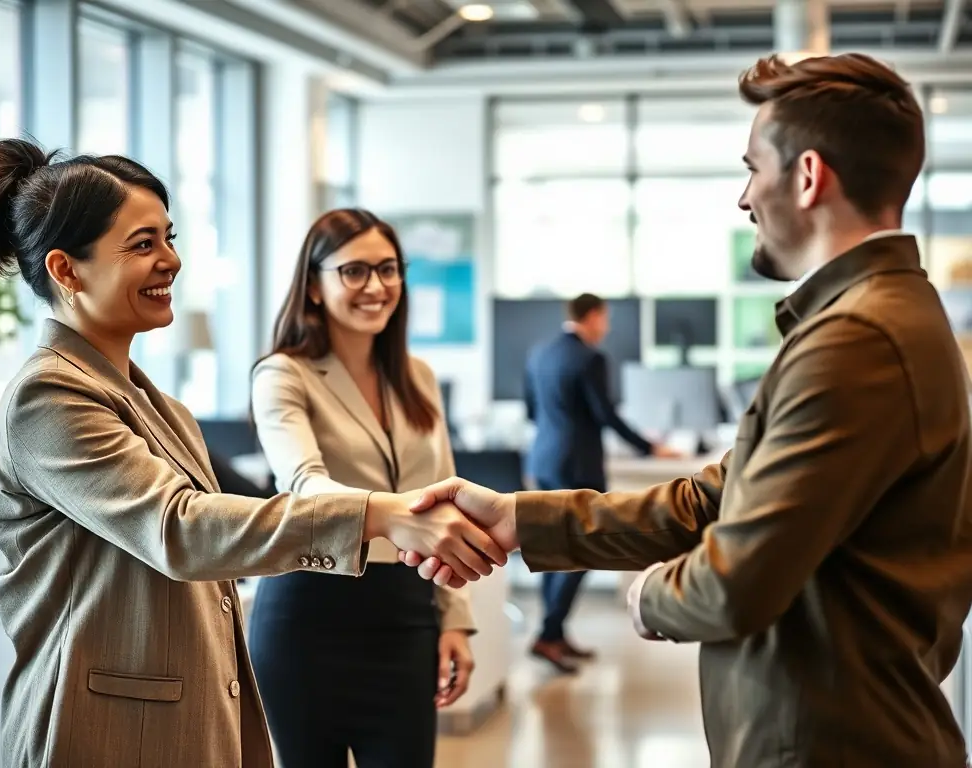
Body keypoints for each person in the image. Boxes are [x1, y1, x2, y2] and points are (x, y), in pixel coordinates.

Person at [402, 53, 972, 768]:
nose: (744, 197)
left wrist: (648, 596)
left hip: (829, 746)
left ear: (807, 176)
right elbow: (716, 497)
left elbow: (738, 580)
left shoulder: (857, 338)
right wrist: (522, 518)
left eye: (752, 168)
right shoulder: (874, 318)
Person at [0, 139, 505, 768]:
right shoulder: (47, 396)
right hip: (106, 731)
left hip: (186, 720)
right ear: (66, 270)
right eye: (143, 244)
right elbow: (180, 528)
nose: (171, 260)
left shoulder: (158, 405)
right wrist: (379, 514)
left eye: (169, 238)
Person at [247, 209, 475, 768]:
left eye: (388, 269)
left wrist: (455, 618)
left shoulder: (418, 376)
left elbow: (446, 497)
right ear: (315, 286)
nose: (376, 286)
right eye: (354, 271)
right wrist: (400, 516)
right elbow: (304, 485)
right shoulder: (283, 374)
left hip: (406, 613)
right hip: (309, 615)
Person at [524, 292, 679, 672]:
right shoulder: (590, 358)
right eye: (604, 319)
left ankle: (554, 632)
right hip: (577, 466)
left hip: (543, 459)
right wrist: (650, 447)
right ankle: (548, 634)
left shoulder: (540, 353)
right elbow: (606, 415)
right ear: (592, 316)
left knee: (551, 546)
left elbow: (531, 411)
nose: (606, 328)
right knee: (580, 549)